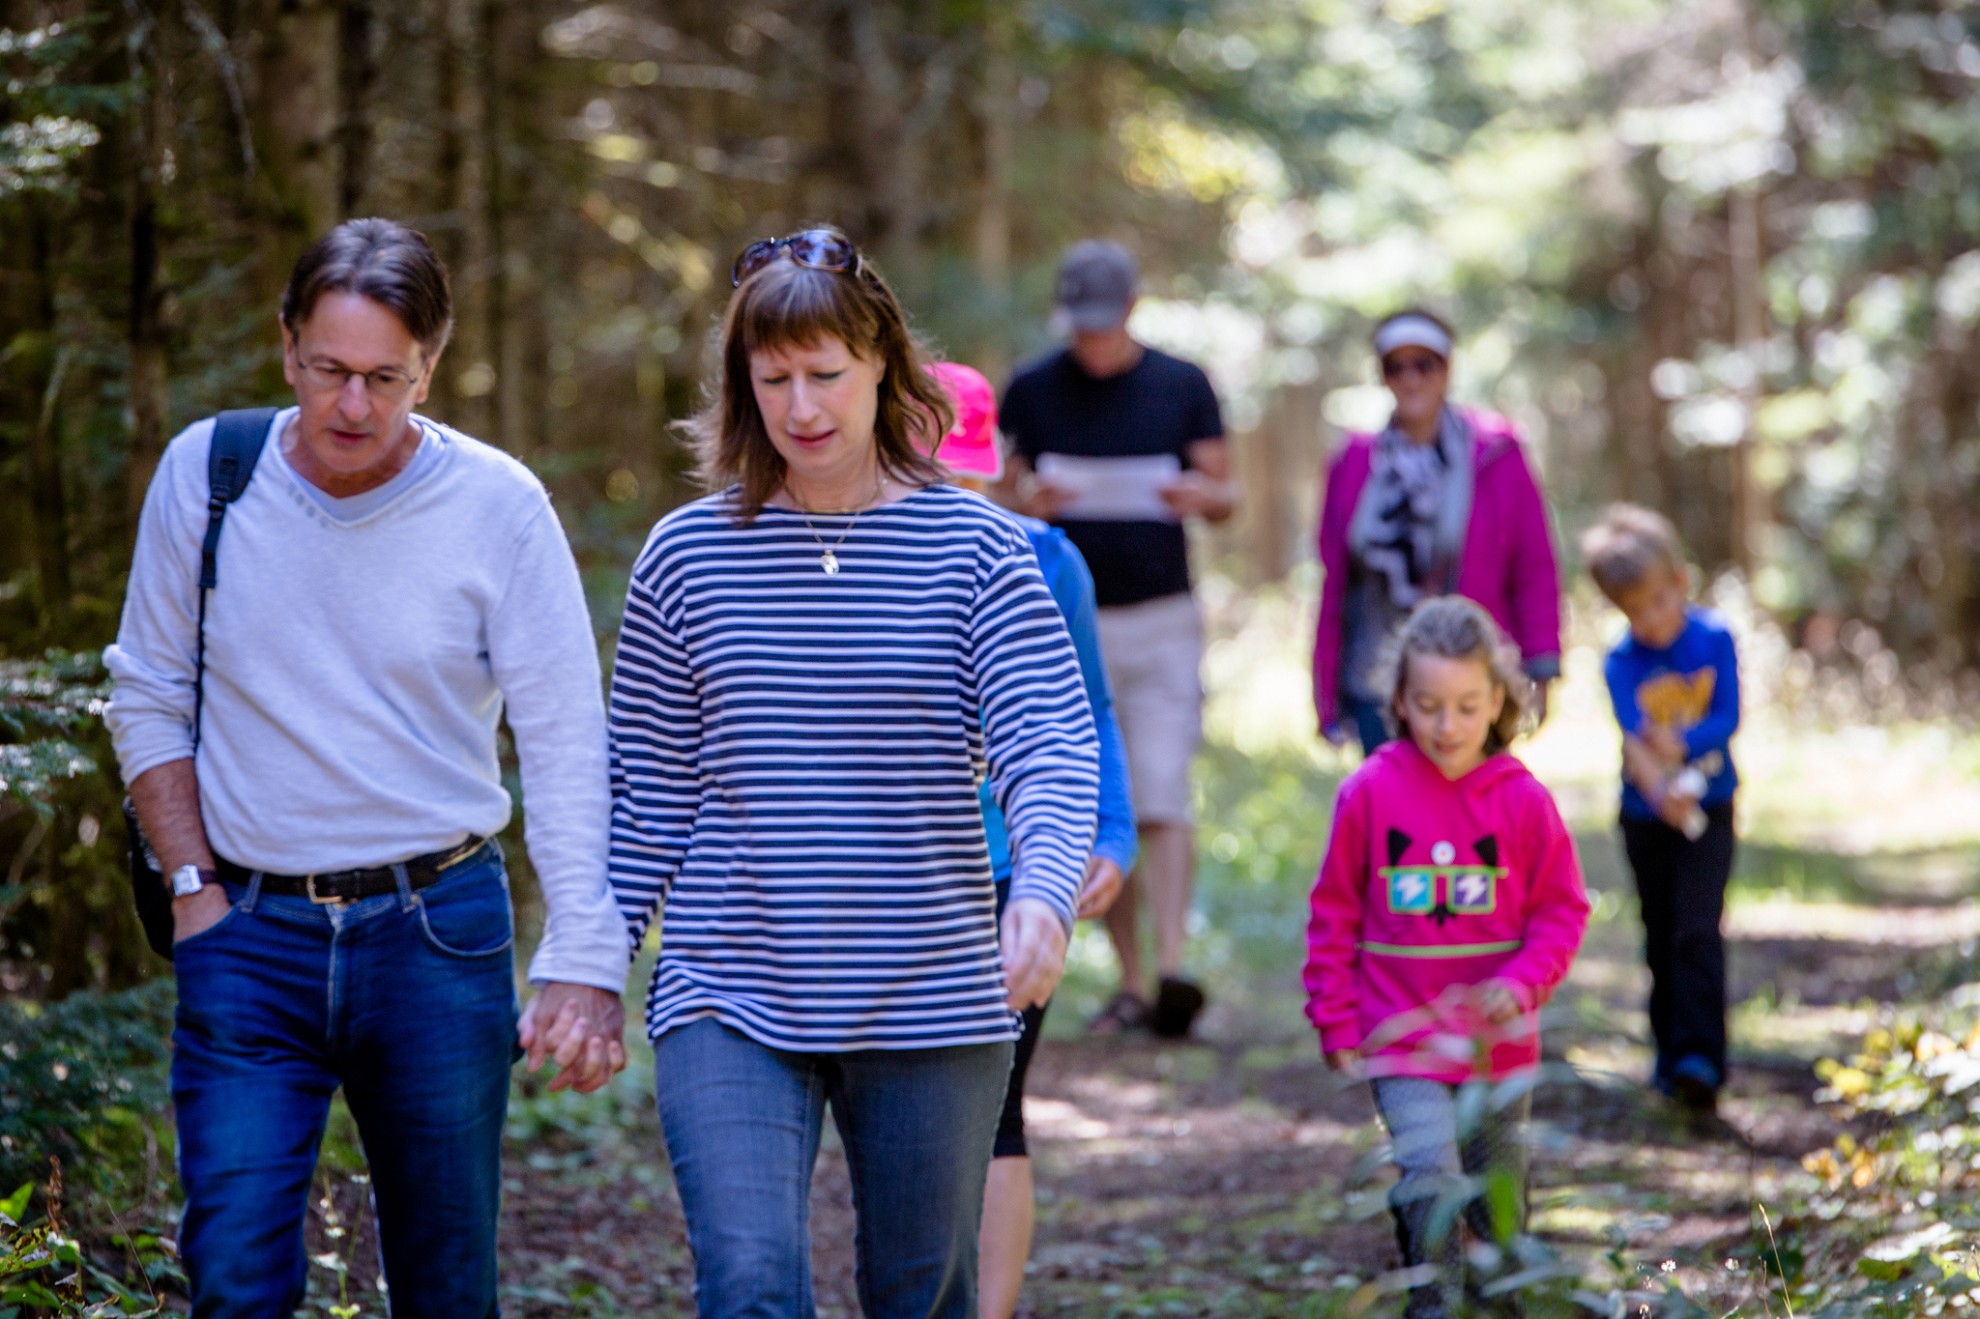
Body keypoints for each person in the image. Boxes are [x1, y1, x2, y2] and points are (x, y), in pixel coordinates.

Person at [103, 218, 629, 1317]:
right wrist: (193, 885)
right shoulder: (208, 475)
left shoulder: (498, 506)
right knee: (236, 1277)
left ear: (429, 367)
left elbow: (567, 735)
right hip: (245, 931)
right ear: (287, 343)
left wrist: (584, 951)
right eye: (331, 370)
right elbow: (148, 689)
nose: (352, 405)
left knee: (445, 1287)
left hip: (437, 930)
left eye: (386, 378)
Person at [607, 230, 1100, 1318]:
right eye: (771, 377)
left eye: (825, 373)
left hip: (933, 985)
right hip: (729, 982)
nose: (801, 406)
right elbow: (645, 785)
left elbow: (1051, 745)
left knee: (920, 1294)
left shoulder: (979, 549)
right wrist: (594, 961)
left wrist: (1044, 893)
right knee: (747, 1286)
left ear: (884, 365)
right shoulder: (687, 554)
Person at [923, 361, 1138, 1319]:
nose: (956, 497)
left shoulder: (1051, 561)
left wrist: (1115, 830)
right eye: (935, 475)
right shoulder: (857, 554)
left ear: (1001, 466)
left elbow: (1089, 706)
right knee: (916, 1119)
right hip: (905, 878)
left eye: (971, 476)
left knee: (996, 1113)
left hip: (1021, 878)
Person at [1303, 597, 1589, 1318]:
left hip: (1499, 1049)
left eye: (1466, 705)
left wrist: (1523, 983)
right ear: (1400, 699)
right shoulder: (1369, 791)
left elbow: (1562, 909)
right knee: (1427, 1171)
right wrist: (1335, 1022)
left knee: (1500, 1193)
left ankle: (1499, 1303)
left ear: (1498, 699)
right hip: (1403, 1038)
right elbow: (1333, 914)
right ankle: (1432, 1302)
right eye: (1428, 704)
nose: (1447, 724)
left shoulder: (1523, 800)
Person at [996, 238, 1235, 1039]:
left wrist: (1193, 494)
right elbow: (992, 499)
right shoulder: (1031, 388)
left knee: (1163, 789)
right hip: (1059, 623)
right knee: (1107, 799)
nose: (1094, 341)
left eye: (1107, 324)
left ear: (1132, 310)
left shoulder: (1181, 383)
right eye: (1082, 326)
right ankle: (1132, 980)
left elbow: (1226, 492)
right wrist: (1033, 495)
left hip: (1161, 616)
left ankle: (1174, 970)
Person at [1313, 309, 1562, 754]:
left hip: (1471, 682)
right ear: (1383, 375)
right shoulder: (1354, 462)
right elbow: (1335, 582)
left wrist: (1541, 667)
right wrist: (1326, 695)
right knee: (1393, 817)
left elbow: (1534, 566)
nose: (1411, 379)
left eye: (1424, 364)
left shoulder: (1497, 455)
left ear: (1446, 370)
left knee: (1474, 817)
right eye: (1396, 366)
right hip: (1378, 681)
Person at [1581, 504, 1740, 1113]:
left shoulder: (1715, 638)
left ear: (1679, 581)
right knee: (1660, 931)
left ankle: (1703, 1056)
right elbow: (1632, 740)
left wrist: (1688, 746)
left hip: (1712, 808)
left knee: (1699, 928)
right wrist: (1658, 792)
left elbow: (1727, 716)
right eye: (1633, 611)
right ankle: (1668, 1054)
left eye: (1657, 601)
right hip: (1647, 818)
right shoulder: (1621, 662)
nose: (1649, 620)